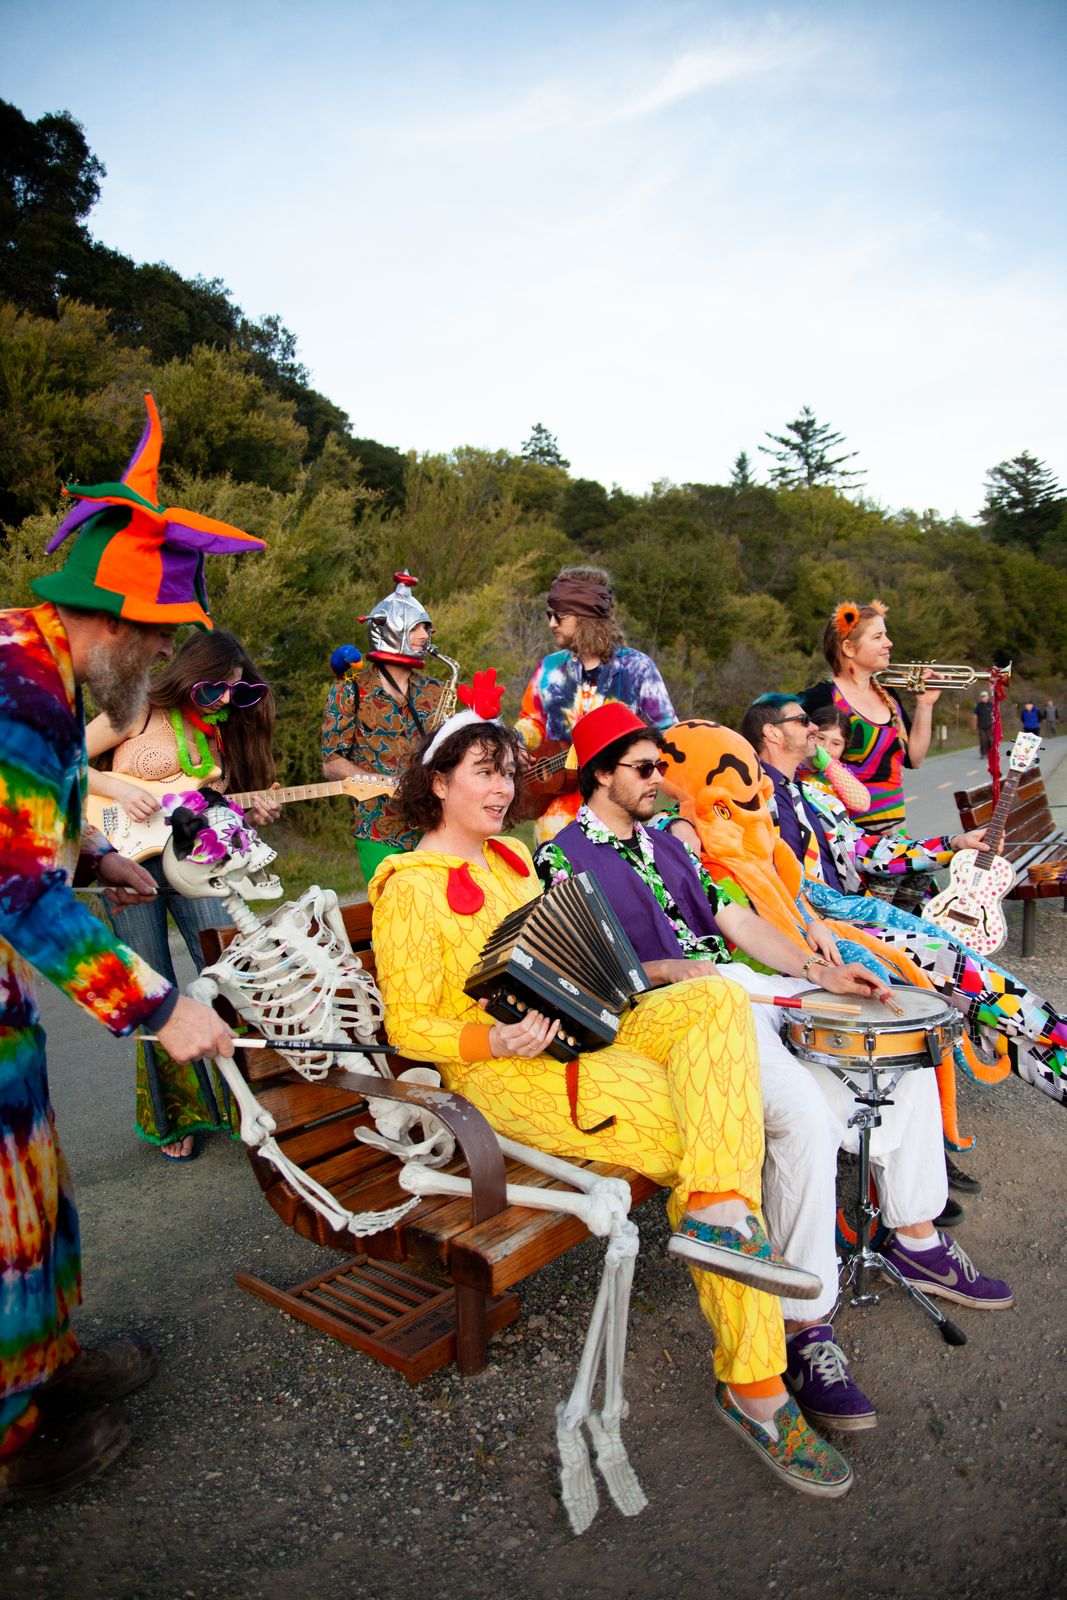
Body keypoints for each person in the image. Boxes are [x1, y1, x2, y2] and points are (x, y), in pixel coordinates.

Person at [370, 674, 854, 1497]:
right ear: (437, 783)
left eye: (507, 772)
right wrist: (493, 1036)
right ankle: (756, 1387)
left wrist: (612, 982)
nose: (501, 788)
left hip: (576, 1033)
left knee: (713, 994)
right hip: (501, 1073)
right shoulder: (407, 887)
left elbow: (561, 950)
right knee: (711, 1131)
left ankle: (718, 1214)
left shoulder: (514, 859)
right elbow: (409, 1025)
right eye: (482, 772)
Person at [534, 704, 1012, 1440]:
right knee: (806, 1121)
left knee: (899, 1048)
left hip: (741, 987)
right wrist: (666, 970)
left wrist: (819, 970)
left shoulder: (665, 843)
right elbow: (583, 972)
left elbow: (735, 921)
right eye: (644, 768)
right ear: (600, 774)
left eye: (661, 765)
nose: (660, 779)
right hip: (678, 1016)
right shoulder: (561, 858)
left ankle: (916, 1239)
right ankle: (804, 1326)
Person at [0, 391, 254, 1503]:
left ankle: (44, 1363)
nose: (159, 657)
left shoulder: (40, 669)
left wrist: (98, 854)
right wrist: (160, 1006)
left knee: (32, 1181)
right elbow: (16, 888)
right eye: (154, 635)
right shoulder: (17, 681)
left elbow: (31, 819)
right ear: (105, 619)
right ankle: (10, 1441)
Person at [739, 695, 1067, 1113]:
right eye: (803, 720)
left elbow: (866, 848)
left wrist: (953, 844)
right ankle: (1054, 1039)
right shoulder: (750, 798)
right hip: (826, 932)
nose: (813, 728)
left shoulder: (813, 794)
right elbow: (761, 879)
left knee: (979, 997)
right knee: (965, 981)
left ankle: (1057, 1056)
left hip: (858, 915)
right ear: (771, 732)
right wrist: (810, 920)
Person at [86, 630, 280, 1161]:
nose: (225, 699)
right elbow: (62, 761)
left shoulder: (221, 730)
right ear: (191, 674)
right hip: (126, 854)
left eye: (237, 690)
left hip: (199, 860)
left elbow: (218, 806)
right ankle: (176, 1113)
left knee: (228, 969)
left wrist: (252, 812)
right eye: (217, 687)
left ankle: (254, 1100)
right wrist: (119, 786)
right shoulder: (138, 708)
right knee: (150, 981)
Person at [516, 565, 676, 844]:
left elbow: (668, 731)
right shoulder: (549, 668)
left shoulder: (637, 668)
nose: (551, 623)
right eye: (549, 615)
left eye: (558, 615)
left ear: (585, 616)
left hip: (616, 815)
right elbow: (533, 720)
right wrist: (516, 738)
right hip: (554, 822)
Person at [321, 572, 443, 883]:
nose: (427, 635)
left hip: (436, 826)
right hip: (379, 830)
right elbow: (331, 763)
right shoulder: (350, 691)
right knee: (393, 908)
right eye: (417, 627)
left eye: (426, 627)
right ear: (392, 630)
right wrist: (386, 783)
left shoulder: (436, 691)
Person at [798, 707, 871, 813]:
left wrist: (829, 765)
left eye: (836, 743)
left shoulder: (842, 774)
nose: (826, 748)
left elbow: (862, 805)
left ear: (844, 747)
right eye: (820, 738)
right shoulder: (794, 767)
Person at [973, 691, 995, 757]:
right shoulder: (978, 706)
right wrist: (974, 725)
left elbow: (995, 715)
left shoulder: (991, 705)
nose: (984, 698)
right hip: (981, 725)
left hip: (990, 725)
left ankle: (990, 752)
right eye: (982, 697)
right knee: (983, 740)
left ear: (988, 697)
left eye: (985, 696)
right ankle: (983, 753)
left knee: (990, 740)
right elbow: (975, 715)